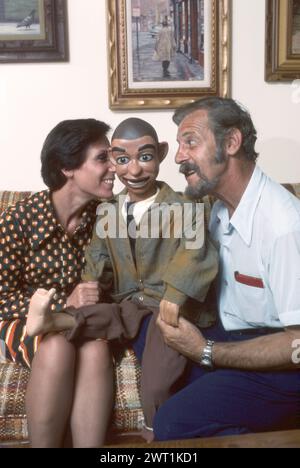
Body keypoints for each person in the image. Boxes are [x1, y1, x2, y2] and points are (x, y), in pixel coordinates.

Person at [26, 117, 218, 441]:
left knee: (158, 375)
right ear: (113, 162)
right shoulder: (108, 210)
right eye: (122, 159)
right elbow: (98, 256)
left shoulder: (185, 208)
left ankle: (155, 430)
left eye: (145, 157)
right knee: (96, 316)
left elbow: (195, 256)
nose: (134, 170)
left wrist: (175, 295)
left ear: (160, 153)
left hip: (163, 305)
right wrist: (89, 283)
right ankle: (52, 321)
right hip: (128, 302)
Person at [153, 97, 300, 440]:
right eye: (178, 145)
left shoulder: (284, 226)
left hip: (286, 362)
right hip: (236, 334)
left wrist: (206, 351)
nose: (178, 157)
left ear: (232, 142)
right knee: (154, 343)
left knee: (174, 423)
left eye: (190, 141)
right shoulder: (217, 208)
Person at [0, 119, 116, 447]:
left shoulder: (108, 217)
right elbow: (1, 297)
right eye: (102, 158)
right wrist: (61, 303)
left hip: (82, 320)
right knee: (57, 348)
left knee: (95, 349)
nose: (113, 168)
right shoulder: (18, 221)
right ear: (66, 166)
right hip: (24, 320)